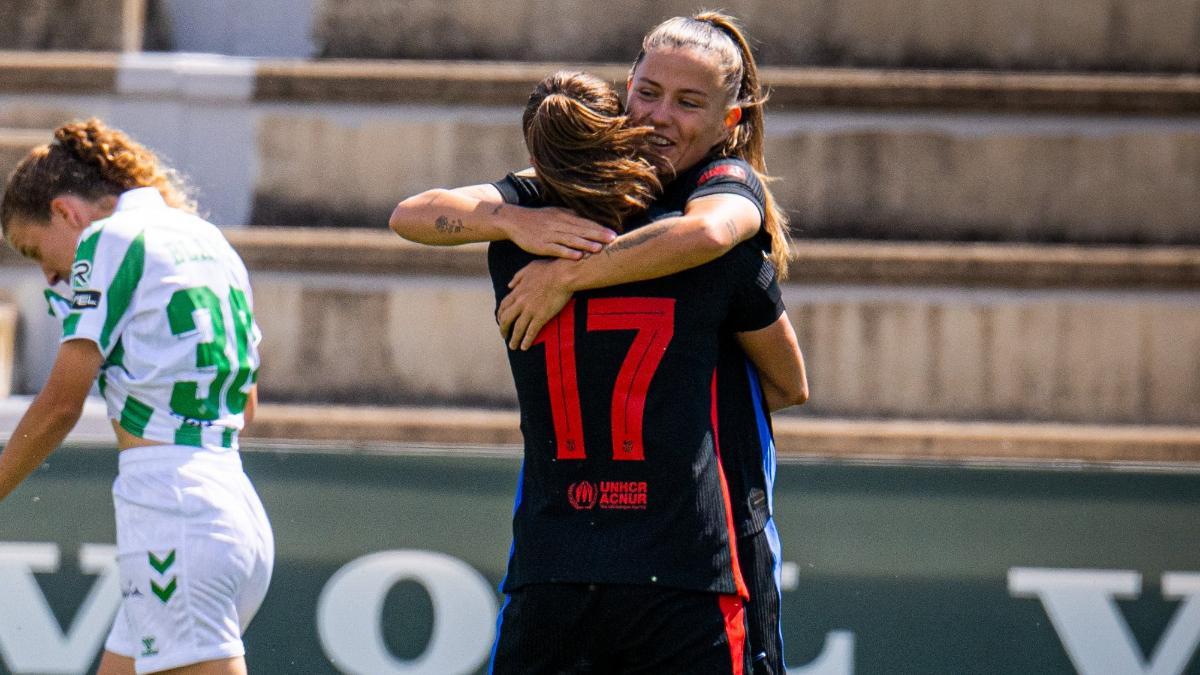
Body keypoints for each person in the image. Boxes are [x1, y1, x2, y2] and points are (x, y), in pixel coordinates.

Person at [391, 12, 801, 674]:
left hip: (555, 563)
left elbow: (414, 213)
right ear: (624, 88)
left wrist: (553, 259)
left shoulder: (534, 222)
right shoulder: (702, 223)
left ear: (732, 120)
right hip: (689, 566)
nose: (661, 115)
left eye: (688, 102)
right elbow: (788, 380)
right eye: (649, 92)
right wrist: (519, 220)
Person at [0, 119, 273, 675]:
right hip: (231, 507)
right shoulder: (205, 239)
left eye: (36, 252)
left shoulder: (107, 240)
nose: (51, 275)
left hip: (173, 512)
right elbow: (245, 406)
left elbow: (59, 406)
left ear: (65, 213)